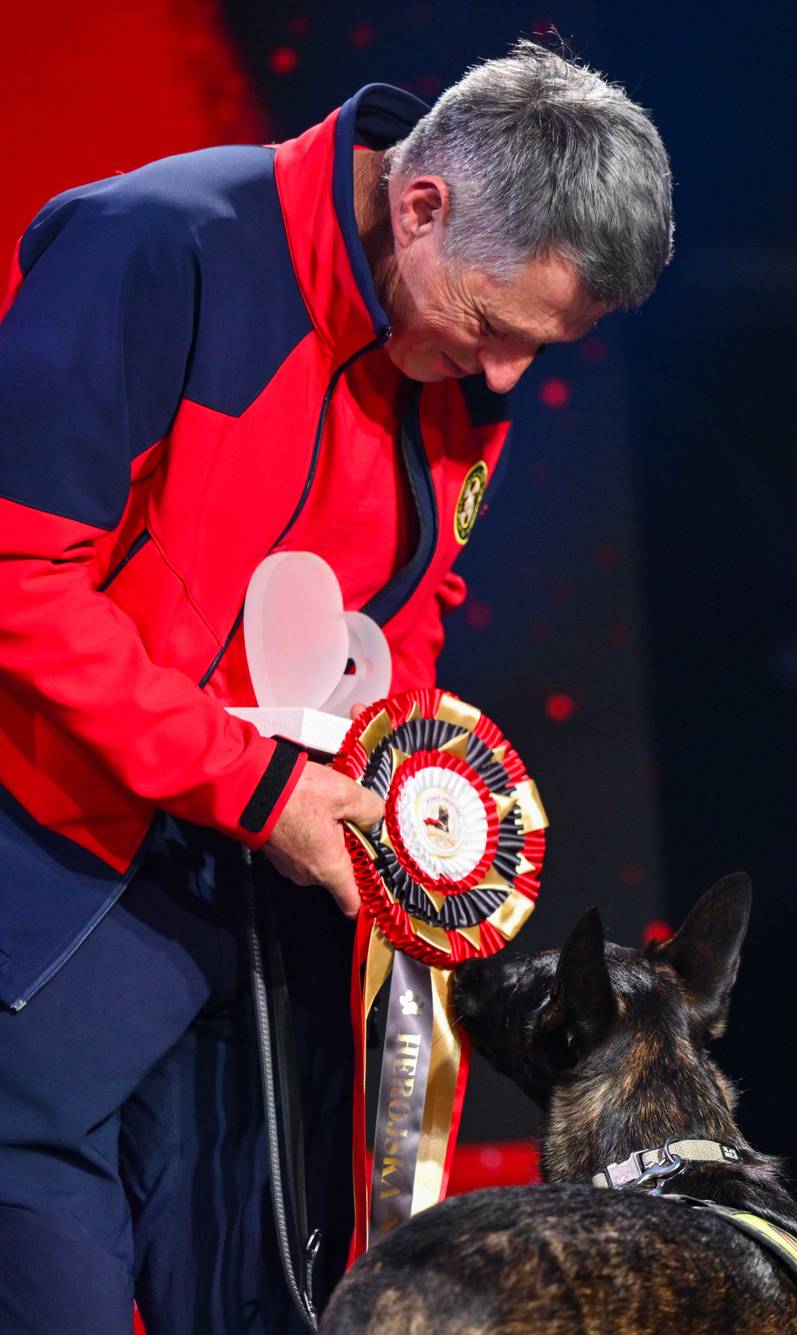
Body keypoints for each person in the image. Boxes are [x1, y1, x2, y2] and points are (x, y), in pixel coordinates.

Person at [0, 39, 673, 1335]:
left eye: (542, 348)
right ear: (420, 206)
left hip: (267, 919)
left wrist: (397, 812)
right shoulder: (159, 249)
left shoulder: (449, 353)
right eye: (494, 327)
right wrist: (256, 784)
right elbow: (15, 574)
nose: (506, 379)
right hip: (57, 901)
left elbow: (399, 616)